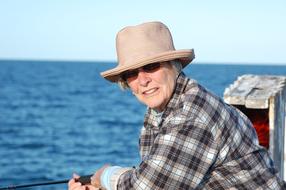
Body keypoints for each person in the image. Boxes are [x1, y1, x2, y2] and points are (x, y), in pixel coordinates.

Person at [68, 21, 286, 190]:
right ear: (126, 82)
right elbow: (158, 174)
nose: (142, 80)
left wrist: (104, 176)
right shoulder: (168, 107)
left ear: (174, 65)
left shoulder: (192, 116)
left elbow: (149, 187)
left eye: (151, 66)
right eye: (131, 73)